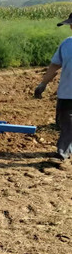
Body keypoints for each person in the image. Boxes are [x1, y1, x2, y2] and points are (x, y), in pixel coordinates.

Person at [34, 12, 72, 161]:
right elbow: (55, 65)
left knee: (69, 124)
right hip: (67, 93)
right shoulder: (67, 44)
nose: (71, 28)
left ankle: (62, 153)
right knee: (65, 122)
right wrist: (43, 84)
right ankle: (65, 150)